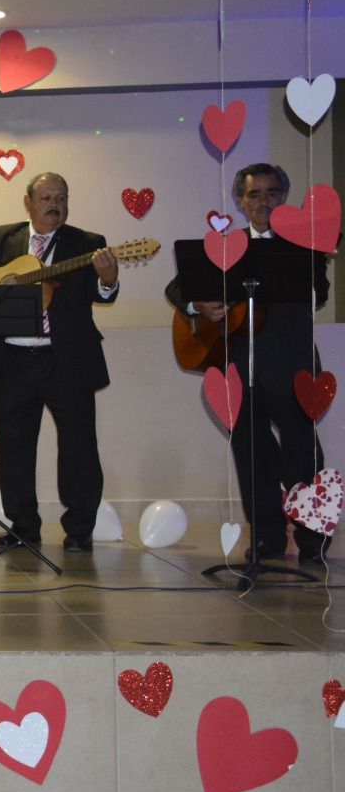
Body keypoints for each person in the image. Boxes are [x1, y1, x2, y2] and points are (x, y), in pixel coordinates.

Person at [0, 172, 118, 554]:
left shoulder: (87, 244)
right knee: (14, 447)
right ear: (28, 202)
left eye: (61, 197)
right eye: (46, 197)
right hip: (12, 361)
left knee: (79, 447)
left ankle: (79, 530)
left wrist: (108, 278)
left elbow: (102, 295)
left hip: (67, 359)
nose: (55, 204)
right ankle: (24, 526)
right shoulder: (3, 238)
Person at [166, 162, 331, 565]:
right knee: (251, 454)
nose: (264, 202)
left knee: (302, 453)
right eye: (254, 194)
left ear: (283, 197)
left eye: (272, 193)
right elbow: (178, 287)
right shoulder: (227, 244)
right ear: (240, 201)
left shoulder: (303, 243)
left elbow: (320, 291)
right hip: (240, 367)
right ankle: (268, 538)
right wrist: (199, 304)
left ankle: (312, 539)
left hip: (291, 364)